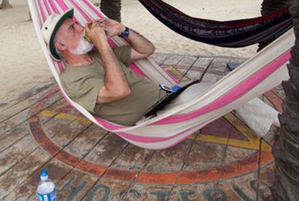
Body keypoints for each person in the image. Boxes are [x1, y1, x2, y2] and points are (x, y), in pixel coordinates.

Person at [41, 9, 281, 135]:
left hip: (169, 98)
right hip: (154, 118)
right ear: (60, 46)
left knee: (224, 83)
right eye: (73, 28)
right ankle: (280, 122)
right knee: (227, 88)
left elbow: (147, 50)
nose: (82, 28)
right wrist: (102, 44)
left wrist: (123, 30)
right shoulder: (72, 79)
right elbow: (120, 90)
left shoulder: (98, 56)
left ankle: (273, 121)